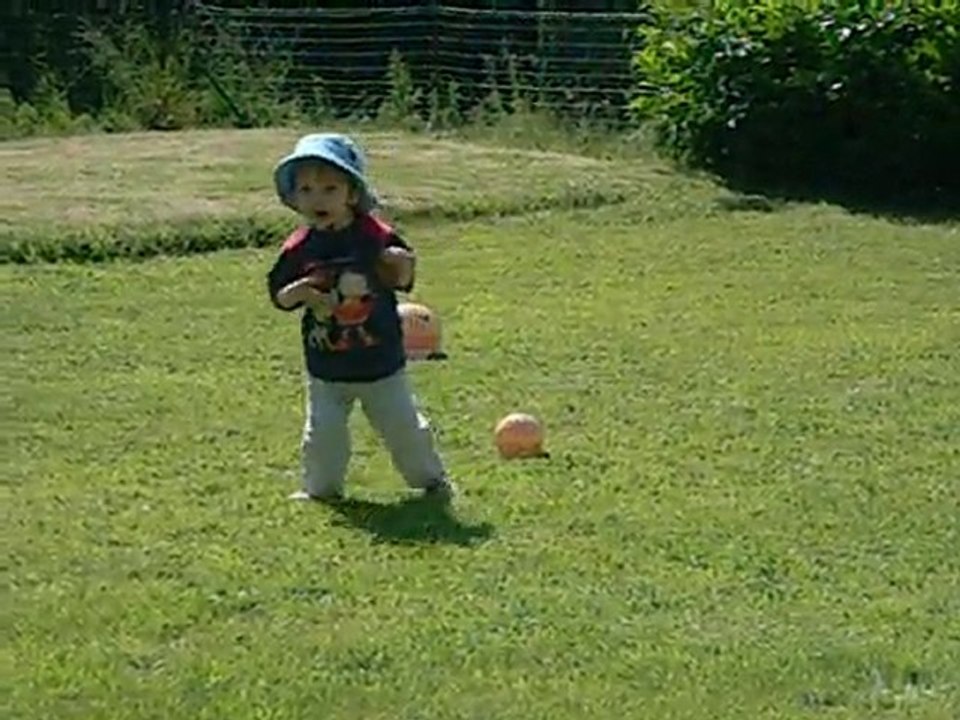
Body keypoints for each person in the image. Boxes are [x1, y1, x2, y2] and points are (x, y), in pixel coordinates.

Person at [265, 132, 454, 503]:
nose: (316, 198)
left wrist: (400, 264)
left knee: (404, 429)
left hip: (380, 361)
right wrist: (301, 291)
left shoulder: (374, 235)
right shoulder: (299, 247)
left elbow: (401, 278)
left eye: (329, 189)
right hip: (326, 364)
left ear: (352, 194)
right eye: (305, 189)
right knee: (323, 434)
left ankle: (433, 483)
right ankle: (320, 490)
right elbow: (282, 296)